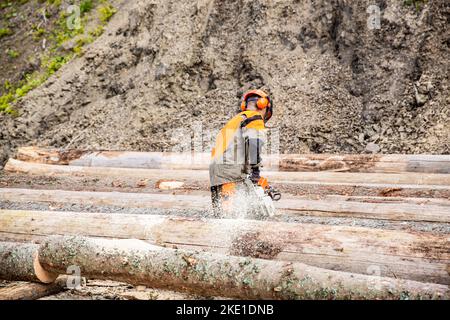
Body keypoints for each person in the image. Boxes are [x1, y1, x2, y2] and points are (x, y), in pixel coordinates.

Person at [209, 89, 280, 218]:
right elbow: (254, 144)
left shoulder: (236, 120)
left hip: (217, 173)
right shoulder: (254, 117)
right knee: (240, 215)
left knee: (222, 215)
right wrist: (256, 172)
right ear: (263, 105)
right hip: (231, 173)